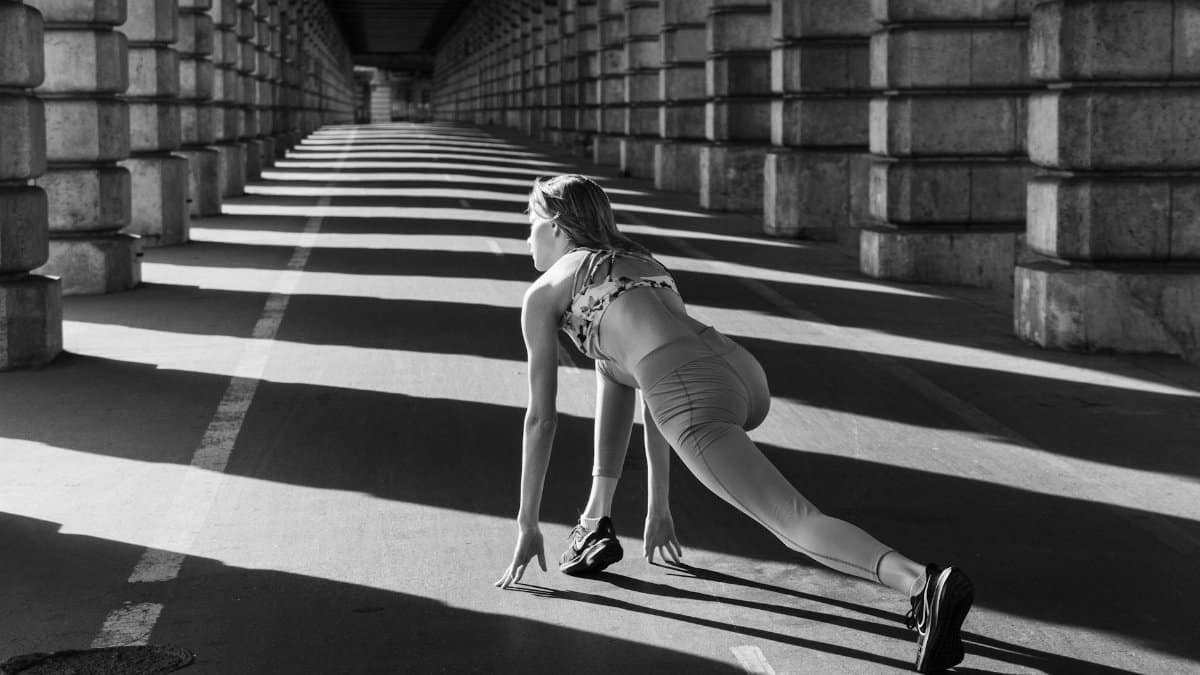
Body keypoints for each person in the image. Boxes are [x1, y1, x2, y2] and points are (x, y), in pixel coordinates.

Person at [494, 174, 974, 673]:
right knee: (621, 369)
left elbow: (541, 420)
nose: (526, 237)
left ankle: (921, 584)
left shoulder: (544, 293)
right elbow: (635, 378)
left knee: (793, 519)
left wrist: (527, 524)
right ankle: (595, 522)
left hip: (687, 387)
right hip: (737, 369)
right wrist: (657, 506)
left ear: (556, 226)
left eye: (530, 224)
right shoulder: (638, 261)